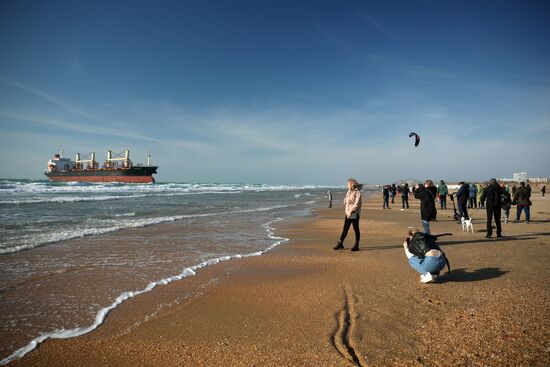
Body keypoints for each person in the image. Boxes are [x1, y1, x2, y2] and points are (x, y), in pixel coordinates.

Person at [334, 178, 362, 251]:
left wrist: (351, 211)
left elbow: (357, 204)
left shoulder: (358, 192)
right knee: (345, 229)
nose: (347, 185)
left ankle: (356, 245)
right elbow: (345, 200)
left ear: (352, 184)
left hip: (354, 213)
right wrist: (346, 201)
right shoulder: (348, 191)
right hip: (348, 212)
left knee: (356, 229)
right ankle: (340, 243)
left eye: (348, 184)